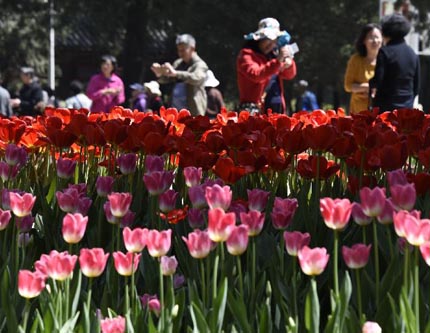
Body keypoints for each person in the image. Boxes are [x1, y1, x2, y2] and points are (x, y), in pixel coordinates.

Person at [236, 17, 297, 115]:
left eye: (274, 41)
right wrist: (277, 62)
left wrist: (289, 65)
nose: (271, 45)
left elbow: (289, 75)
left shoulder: (274, 55)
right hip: (255, 111)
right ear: (259, 39)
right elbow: (256, 75)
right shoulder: (246, 55)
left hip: (277, 109)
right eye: (268, 40)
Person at [369, 14, 420, 112]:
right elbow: (416, 86)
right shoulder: (413, 54)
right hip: (406, 108)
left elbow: (378, 80)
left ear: (385, 32)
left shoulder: (384, 52)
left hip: (386, 108)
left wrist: (371, 83)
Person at [151, 34, 208, 116]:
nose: (180, 53)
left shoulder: (200, 64)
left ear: (192, 48)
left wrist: (176, 73)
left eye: (183, 50)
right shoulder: (178, 63)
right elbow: (168, 79)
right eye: (178, 50)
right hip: (175, 113)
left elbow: (197, 78)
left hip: (193, 114)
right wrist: (160, 73)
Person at [344, 24, 383, 114]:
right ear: (363, 40)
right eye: (371, 37)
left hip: (380, 111)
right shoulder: (355, 60)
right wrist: (369, 88)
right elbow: (348, 86)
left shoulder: (387, 60)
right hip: (358, 112)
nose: (375, 41)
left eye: (377, 37)